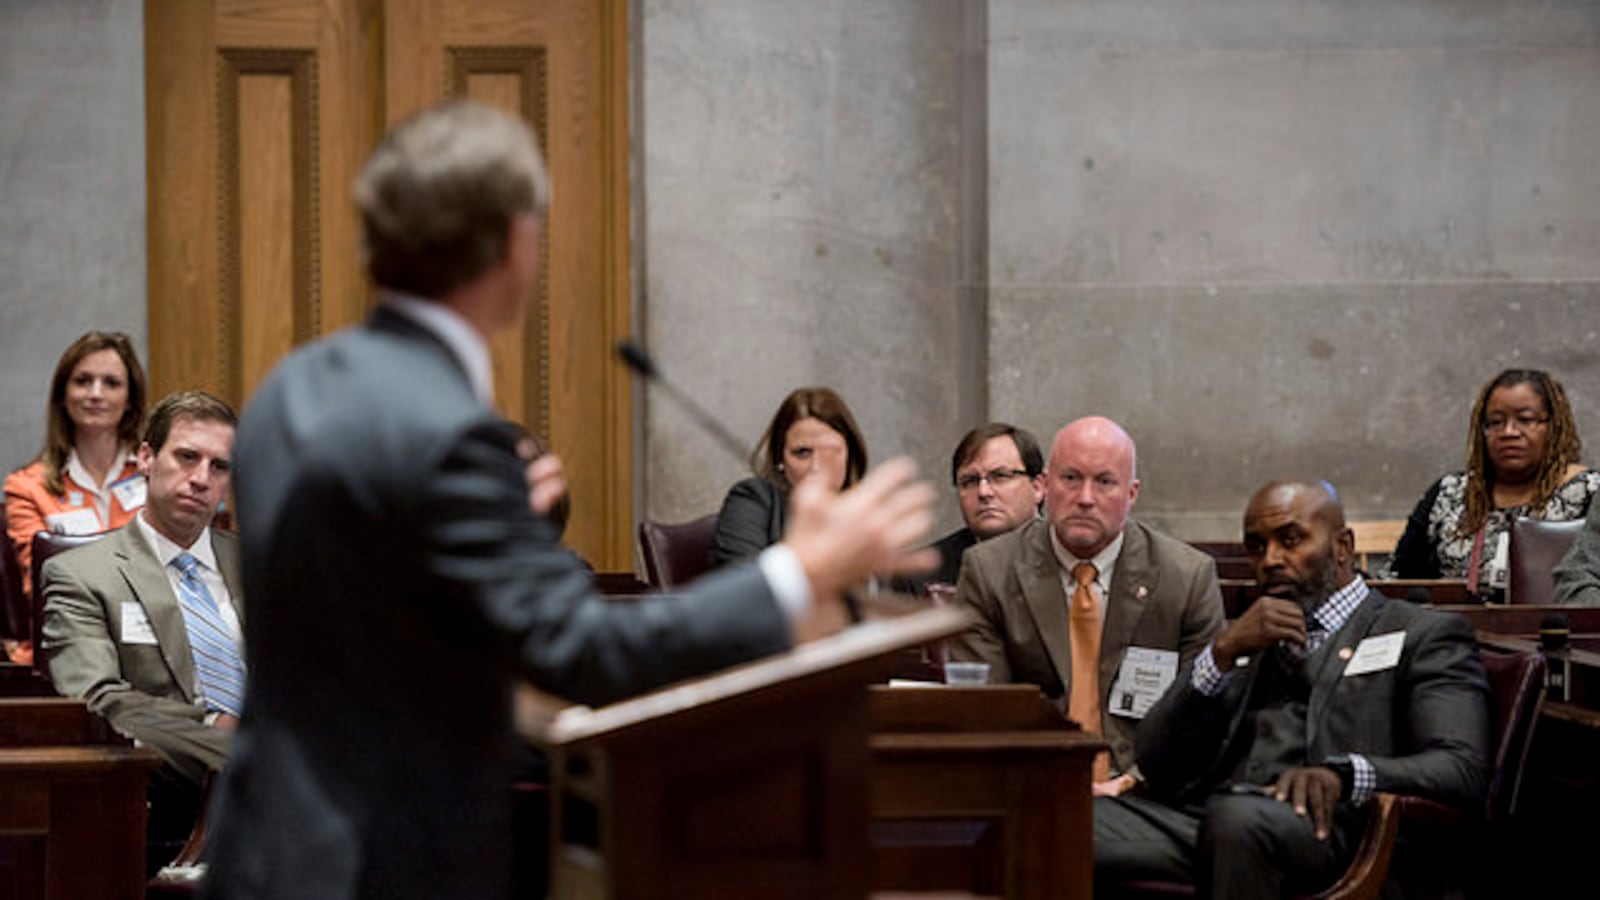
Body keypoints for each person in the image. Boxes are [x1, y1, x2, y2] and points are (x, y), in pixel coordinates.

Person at [201, 100, 935, 900]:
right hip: (382, 861)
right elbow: (584, 649)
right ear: (518, 241)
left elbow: (377, 619)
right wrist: (797, 572)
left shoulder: (290, 388)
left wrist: (491, 525)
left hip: (265, 851)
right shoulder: (450, 437)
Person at [1094, 480, 1491, 899]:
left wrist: (1347, 773)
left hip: (1333, 831)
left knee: (1238, 823)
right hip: (1208, 818)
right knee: (1057, 822)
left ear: (1342, 546)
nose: (1271, 560)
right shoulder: (1249, 640)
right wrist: (1220, 653)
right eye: (1256, 546)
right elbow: (1155, 761)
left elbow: (1461, 768)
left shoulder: (1421, 634)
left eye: (1290, 539)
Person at [948, 415, 1225, 795]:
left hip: (1146, 790)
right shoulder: (989, 572)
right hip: (1031, 787)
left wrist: (1133, 782)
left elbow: (1202, 714)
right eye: (1071, 478)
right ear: (1045, 484)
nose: (1085, 498)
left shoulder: (1185, 578)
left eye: (1105, 482)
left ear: (1131, 494)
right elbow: (984, 709)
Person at [39, 390, 240, 867]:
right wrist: (225, 734)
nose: (200, 479)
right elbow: (96, 700)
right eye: (187, 457)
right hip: (172, 796)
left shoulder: (264, 565)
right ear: (147, 458)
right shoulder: (82, 574)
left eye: (219, 467)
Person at [4, 331, 148, 663]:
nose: (95, 393)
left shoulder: (156, 479)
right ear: (63, 395)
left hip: (150, 651)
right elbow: (44, 585)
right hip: (63, 651)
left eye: (111, 383)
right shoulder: (27, 488)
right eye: (83, 381)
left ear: (130, 399)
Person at [1388, 368, 1597, 593]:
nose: (1509, 432)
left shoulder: (1589, 493)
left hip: (1556, 626)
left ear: (1554, 426)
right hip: (1456, 625)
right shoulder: (1449, 494)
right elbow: (1398, 580)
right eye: (1495, 422)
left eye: (1525, 420)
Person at [709, 386, 869, 566]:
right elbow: (742, 584)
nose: (816, 467)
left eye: (830, 452)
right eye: (802, 453)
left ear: (850, 455)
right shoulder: (752, 499)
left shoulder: (870, 512)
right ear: (781, 458)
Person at [903, 422, 1045, 594]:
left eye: (1000, 476)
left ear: (1037, 487)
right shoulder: (921, 573)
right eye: (969, 481)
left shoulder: (1070, 557)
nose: (983, 492)